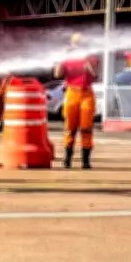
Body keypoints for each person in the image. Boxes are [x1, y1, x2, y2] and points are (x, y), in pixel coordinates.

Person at [53, 33, 98, 169]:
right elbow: (57, 74)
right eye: (76, 43)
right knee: (70, 127)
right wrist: (61, 59)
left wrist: (86, 60)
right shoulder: (67, 58)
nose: (78, 46)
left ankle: (85, 160)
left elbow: (95, 74)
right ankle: (67, 159)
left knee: (86, 128)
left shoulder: (91, 57)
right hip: (72, 92)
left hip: (87, 93)